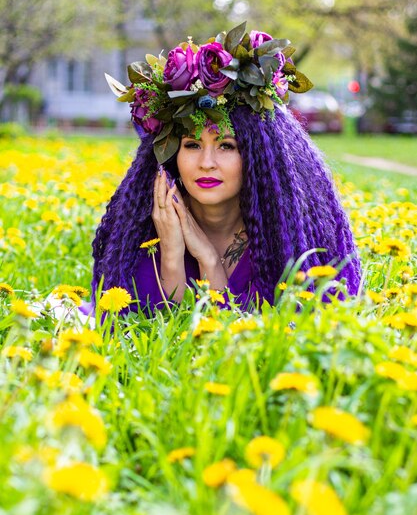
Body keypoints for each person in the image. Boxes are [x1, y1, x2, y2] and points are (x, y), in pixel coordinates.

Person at [84, 23, 361, 318]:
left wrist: (210, 262)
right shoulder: (145, 235)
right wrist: (173, 260)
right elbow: (149, 341)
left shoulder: (285, 238)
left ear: (258, 157)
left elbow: (264, 347)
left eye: (226, 146)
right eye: (192, 145)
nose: (206, 162)